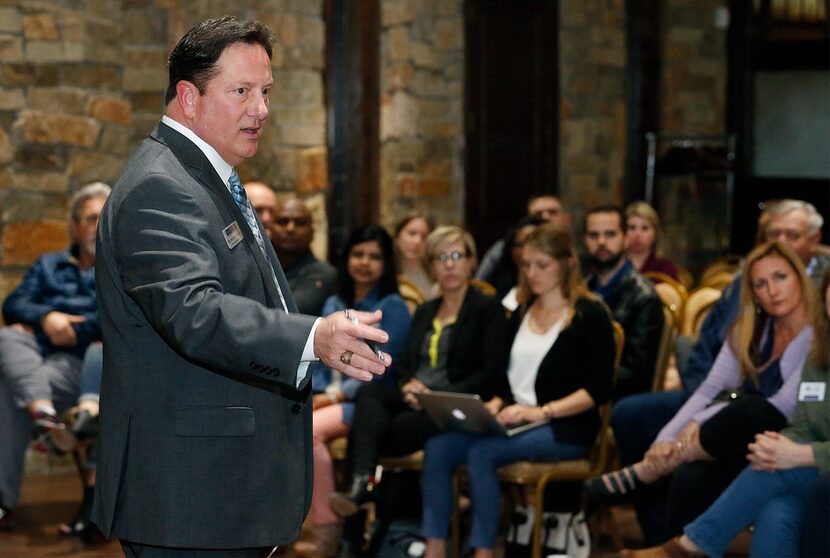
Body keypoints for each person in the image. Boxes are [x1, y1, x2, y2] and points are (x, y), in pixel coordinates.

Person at [91, 17, 390, 556]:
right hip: (188, 497)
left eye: (266, 91)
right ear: (189, 96)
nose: (262, 109)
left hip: (214, 492)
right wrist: (311, 338)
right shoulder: (162, 186)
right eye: (242, 92)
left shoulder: (204, 175)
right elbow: (194, 312)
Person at [605, 198, 830, 543]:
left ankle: (656, 477)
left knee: (750, 411)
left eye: (780, 278)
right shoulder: (750, 325)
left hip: (771, 425)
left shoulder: (816, 333)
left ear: (801, 279)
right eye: (760, 284)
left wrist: (694, 433)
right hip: (736, 424)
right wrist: (669, 438)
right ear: (751, 292)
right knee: (689, 473)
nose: (772, 290)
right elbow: (709, 384)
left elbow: (784, 407)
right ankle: (665, 545)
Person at [420, 223, 615, 558]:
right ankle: (434, 546)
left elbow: (597, 390)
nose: (532, 273)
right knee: (440, 447)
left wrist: (542, 411)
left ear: (566, 263)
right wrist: (495, 404)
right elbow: (503, 380)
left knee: (483, 453)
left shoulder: (589, 315)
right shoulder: (522, 311)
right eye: (526, 265)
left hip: (565, 426)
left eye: (542, 265)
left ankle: (483, 551)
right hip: (517, 419)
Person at [330, 226, 506, 519]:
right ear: (431, 267)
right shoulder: (426, 310)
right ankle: (363, 489)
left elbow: (490, 374)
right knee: (370, 393)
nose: (449, 264)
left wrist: (433, 396)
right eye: (440, 257)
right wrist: (408, 384)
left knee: (369, 434)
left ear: (472, 261)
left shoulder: (488, 309)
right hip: (417, 400)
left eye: (456, 255)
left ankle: (362, 496)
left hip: (455, 405)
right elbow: (404, 364)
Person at [0, 181, 110, 532]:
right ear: (75, 226)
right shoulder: (49, 265)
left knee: (5, 389)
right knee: (6, 337)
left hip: (87, 364)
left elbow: (117, 320)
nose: (99, 225)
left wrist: (71, 328)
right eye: (92, 218)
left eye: (105, 218)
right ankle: (46, 415)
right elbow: (13, 304)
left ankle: (2, 500)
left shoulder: (121, 266)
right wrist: (48, 319)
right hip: (39, 360)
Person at [297, 225, 411, 557]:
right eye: (358, 254)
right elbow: (318, 356)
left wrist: (333, 397)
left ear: (386, 263)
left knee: (311, 430)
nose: (365, 263)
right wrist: (315, 393)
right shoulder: (335, 301)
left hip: (365, 404)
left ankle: (327, 526)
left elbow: (381, 368)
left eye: (375, 256)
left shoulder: (393, 307)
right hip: (325, 395)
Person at [582, 205, 664, 399]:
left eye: (610, 234)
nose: (601, 242)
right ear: (584, 240)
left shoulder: (644, 296)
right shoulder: (580, 291)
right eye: (593, 235)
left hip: (615, 397)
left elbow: (637, 373)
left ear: (626, 238)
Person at [475, 194, 570, 285]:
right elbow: (480, 284)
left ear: (567, 218)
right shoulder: (503, 248)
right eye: (538, 214)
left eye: (553, 212)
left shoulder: (576, 251)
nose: (545, 217)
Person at [270, 197, 337, 316]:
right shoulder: (258, 267)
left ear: (312, 232)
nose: (290, 229)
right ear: (269, 229)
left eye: (300, 223)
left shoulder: (323, 274)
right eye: (283, 222)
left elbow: (291, 313)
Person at [486, 215, 546, 302]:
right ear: (512, 250)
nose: (527, 250)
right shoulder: (500, 284)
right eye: (522, 245)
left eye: (535, 244)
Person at [624, 201, 680, 283]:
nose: (637, 234)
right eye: (632, 228)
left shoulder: (665, 268)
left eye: (645, 228)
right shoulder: (614, 266)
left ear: (655, 234)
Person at [394, 211, 435, 304]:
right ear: (397, 237)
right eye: (412, 233)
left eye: (424, 237)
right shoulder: (385, 274)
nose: (417, 241)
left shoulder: (436, 274)